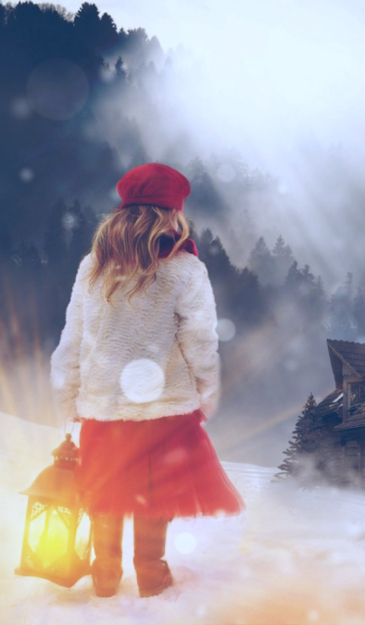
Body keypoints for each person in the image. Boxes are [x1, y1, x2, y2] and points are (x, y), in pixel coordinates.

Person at [50, 163, 245, 598]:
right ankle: (151, 573)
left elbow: (73, 339)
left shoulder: (93, 266)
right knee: (153, 496)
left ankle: (104, 574)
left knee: (105, 491)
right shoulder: (185, 269)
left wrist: (66, 397)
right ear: (172, 212)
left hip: (102, 405)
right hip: (165, 407)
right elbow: (200, 343)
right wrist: (206, 394)